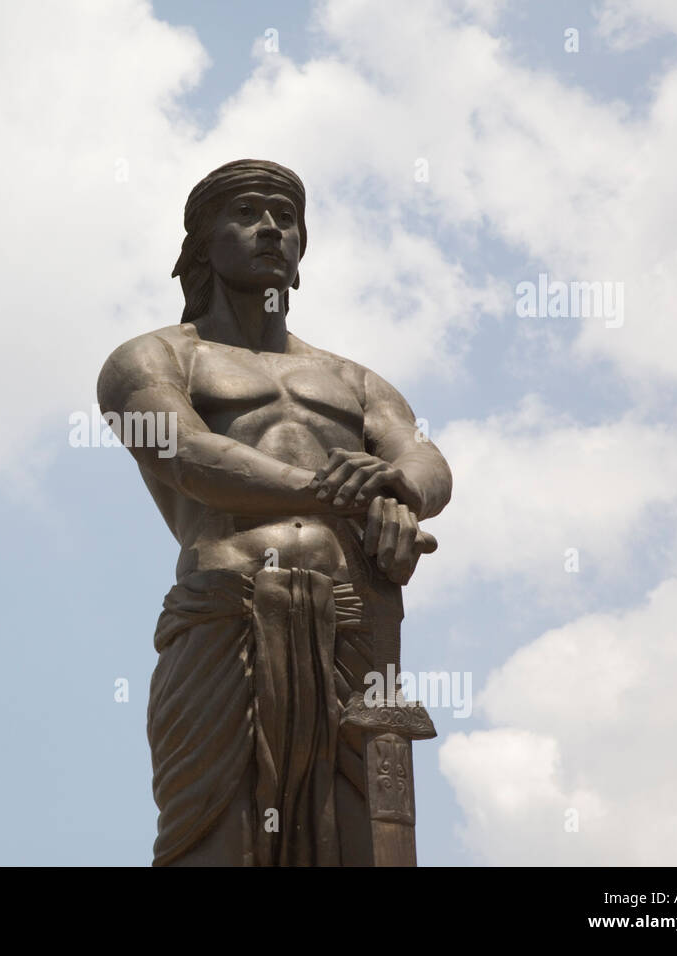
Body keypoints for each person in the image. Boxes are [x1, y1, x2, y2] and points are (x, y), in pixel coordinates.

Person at [97, 159, 452, 866]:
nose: (270, 230)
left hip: (356, 621)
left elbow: (425, 460)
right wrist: (340, 492)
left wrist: (400, 492)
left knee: (362, 835)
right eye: (249, 214)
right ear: (202, 244)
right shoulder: (153, 358)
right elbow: (187, 456)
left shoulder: (352, 378)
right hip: (227, 610)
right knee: (215, 832)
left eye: (286, 218)